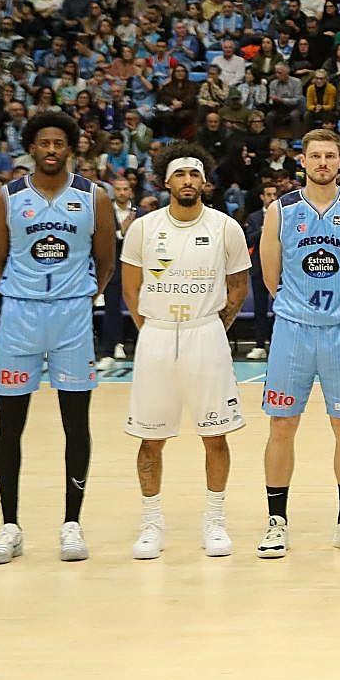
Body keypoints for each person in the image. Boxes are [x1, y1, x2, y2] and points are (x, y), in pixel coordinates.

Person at [0, 112, 117, 566]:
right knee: (9, 424)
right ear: (31, 148)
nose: (52, 149)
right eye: (44, 143)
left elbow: (106, 263)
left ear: (71, 149)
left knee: (75, 423)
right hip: (20, 315)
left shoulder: (94, 197)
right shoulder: (5, 198)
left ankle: (71, 524)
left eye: (59, 142)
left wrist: (76, 295)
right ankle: (9, 526)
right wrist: (27, 291)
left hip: (72, 316)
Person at [258, 129, 340, 560]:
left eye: (330, 156)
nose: (323, 163)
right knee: (282, 425)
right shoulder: (281, 210)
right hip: (294, 329)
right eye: (315, 156)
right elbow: (270, 277)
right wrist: (300, 307)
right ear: (303, 161)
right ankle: (277, 521)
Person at [121, 144, 251, 560]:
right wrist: (154, 330)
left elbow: (238, 286)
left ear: (204, 182)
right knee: (150, 437)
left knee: (215, 433)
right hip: (157, 335)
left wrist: (214, 328)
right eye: (181, 175)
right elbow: (130, 287)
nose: (188, 181)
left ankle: (214, 522)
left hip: (205, 334)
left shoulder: (225, 227)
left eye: (194, 175)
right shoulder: (143, 228)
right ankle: (151, 523)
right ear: (166, 182)